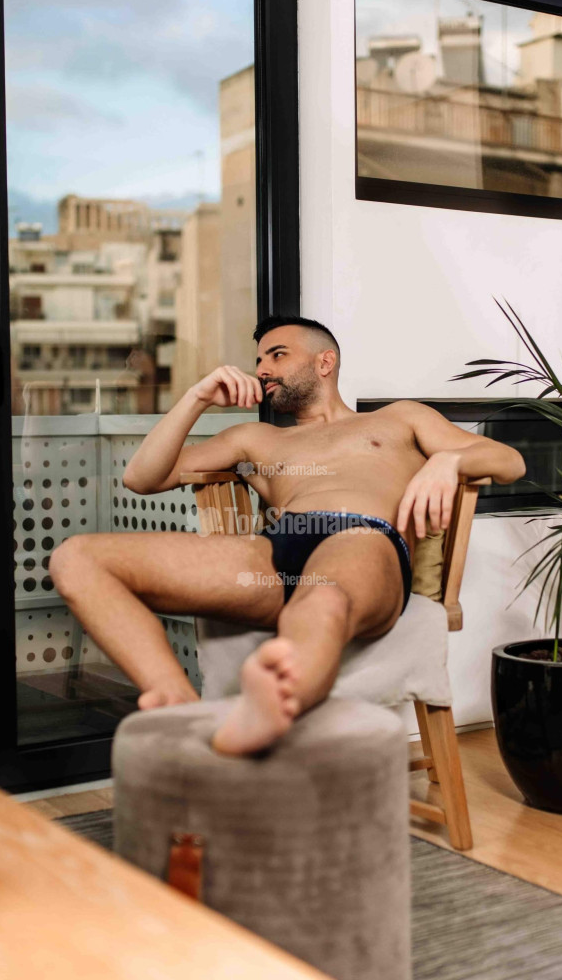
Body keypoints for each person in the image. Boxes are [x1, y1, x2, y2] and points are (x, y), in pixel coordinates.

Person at [49, 314, 526, 756]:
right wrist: (196, 397)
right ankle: (178, 705)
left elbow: (510, 461)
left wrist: (449, 460)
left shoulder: (398, 418)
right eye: (259, 360)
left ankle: (270, 709)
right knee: (77, 559)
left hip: (363, 539)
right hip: (273, 550)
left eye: (277, 355)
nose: (262, 369)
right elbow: (141, 478)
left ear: (325, 362)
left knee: (322, 600)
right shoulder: (256, 439)